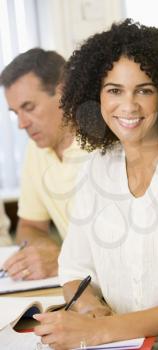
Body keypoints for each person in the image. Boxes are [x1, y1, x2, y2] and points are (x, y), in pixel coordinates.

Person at [34, 19, 158, 350]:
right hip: (127, 344)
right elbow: (74, 268)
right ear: (94, 96)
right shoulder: (97, 167)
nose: (128, 106)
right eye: (114, 90)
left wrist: (104, 331)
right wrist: (90, 310)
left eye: (144, 90)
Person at [0, 48, 86, 280]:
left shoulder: (107, 144)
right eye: (15, 112)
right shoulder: (36, 150)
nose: (21, 124)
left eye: (29, 108)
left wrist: (62, 260)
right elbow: (29, 227)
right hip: (78, 287)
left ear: (64, 93)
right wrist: (44, 251)